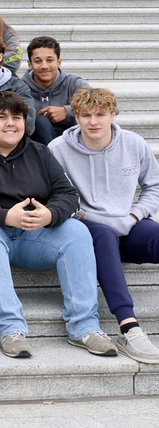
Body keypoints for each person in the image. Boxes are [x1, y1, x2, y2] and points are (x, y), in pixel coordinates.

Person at [0, 91, 113, 359]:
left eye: (17, 117)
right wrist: (4, 216)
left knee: (77, 231)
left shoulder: (40, 152)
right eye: (1, 117)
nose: (10, 124)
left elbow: (68, 194)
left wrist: (50, 215)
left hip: (33, 236)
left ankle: (84, 327)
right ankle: (10, 328)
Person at [49, 88, 159, 363]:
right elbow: (59, 199)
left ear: (114, 115)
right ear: (76, 117)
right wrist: (100, 220)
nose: (93, 121)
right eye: (86, 115)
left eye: (101, 114)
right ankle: (129, 328)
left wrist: (134, 216)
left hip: (128, 224)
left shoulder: (133, 143)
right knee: (104, 236)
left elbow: (154, 186)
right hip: (88, 228)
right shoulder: (58, 149)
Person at [25, 36, 90, 144]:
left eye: (50, 60)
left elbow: (108, 109)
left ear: (59, 62)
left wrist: (67, 112)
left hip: (72, 142)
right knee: (40, 122)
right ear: (30, 64)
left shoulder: (74, 83)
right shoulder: (20, 87)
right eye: (38, 61)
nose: (44, 66)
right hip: (35, 145)